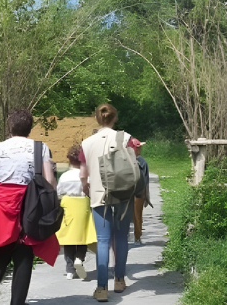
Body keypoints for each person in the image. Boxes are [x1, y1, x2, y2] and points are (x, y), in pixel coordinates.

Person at [0, 109, 58, 305]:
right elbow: (49, 181)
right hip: (29, 205)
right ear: (29, 128)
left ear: (9, 127)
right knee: (24, 254)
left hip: (1, 206)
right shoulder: (40, 148)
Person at [79, 103, 141, 302]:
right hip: (123, 193)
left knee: (103, 240)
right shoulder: (127, 138)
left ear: (97, 118)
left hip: (99, 195)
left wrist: (85, 187)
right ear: (115, 118)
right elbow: (134, 163)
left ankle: (102, 288)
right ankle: (120, 280)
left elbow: (83, 174)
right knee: (121, 237)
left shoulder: (87, 143)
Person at [56, 144, 96, 280]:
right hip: (82, 205)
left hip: (68, 207)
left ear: (69, 160)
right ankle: (79, 258)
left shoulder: (64, 177)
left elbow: (59, 192)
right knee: (82, 236)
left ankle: (69, 270)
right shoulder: (86, 176)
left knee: (69, 239)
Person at [132, 141, 153, 245]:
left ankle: (123, 236)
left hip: (125, 192)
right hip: (139, 193)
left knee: (125, 215)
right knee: (137, 215)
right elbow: (145, 181)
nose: (139, 149)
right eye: (138, 147)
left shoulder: (122, 161)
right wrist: (146, 196)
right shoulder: (142, 161)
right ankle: (137, 237)